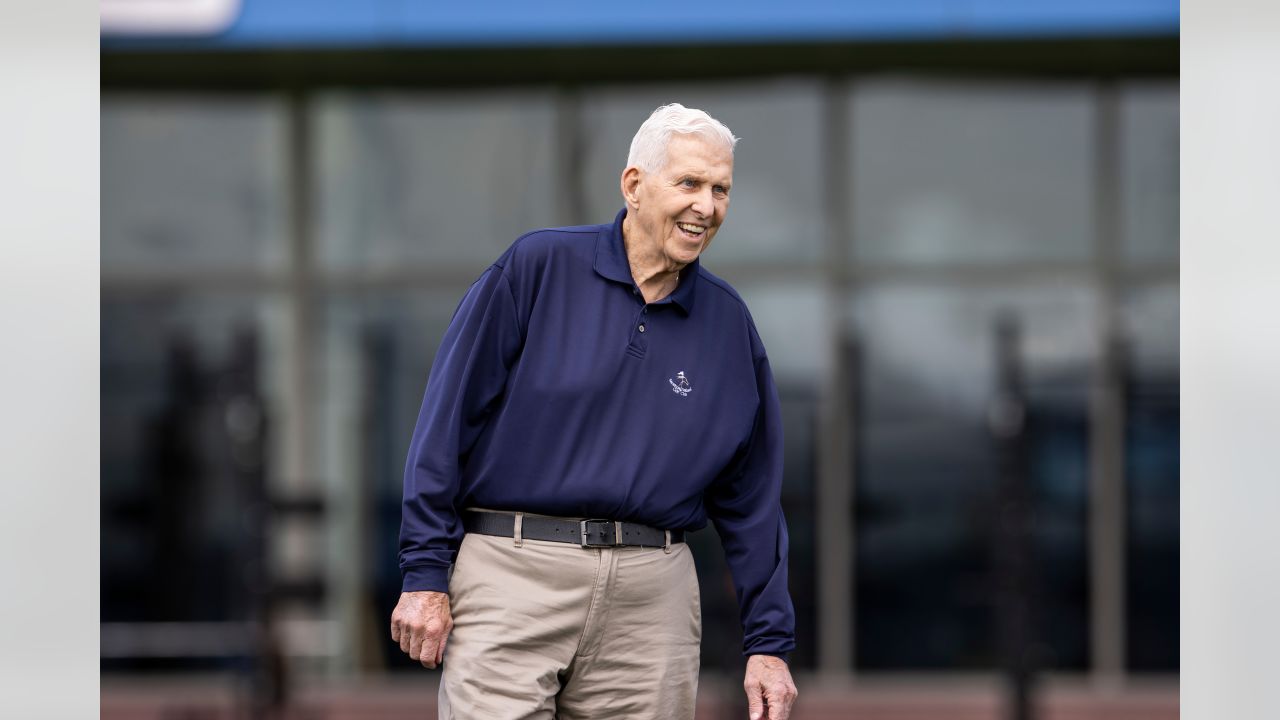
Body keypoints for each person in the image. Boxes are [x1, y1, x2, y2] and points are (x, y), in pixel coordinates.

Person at [390, 103, 798, 720]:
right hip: (512, 571)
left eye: (721, 190)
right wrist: (424, 573)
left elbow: (753, 499)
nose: (707, 207)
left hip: (651, 600)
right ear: (634, 185)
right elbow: (444, 429)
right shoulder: (537, 268)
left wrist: (769, 644)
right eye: (688, 183)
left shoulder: (728, 324)